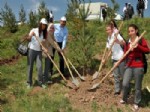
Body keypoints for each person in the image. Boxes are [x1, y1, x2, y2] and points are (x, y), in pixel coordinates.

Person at [120, 24, 150, 111]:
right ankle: (124, 99)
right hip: (129, 66)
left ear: (136, 31)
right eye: (129, 31)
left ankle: (136, 103)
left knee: (137, 86)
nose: (130, 33)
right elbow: (125, 53)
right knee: (125, 84)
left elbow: (148, 50)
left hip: (139, 66)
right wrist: (122, 59)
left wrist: (138, 46)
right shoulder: (128, 42)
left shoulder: (140, 40)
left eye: (132, 31)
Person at [104, 23, 125, 95]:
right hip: (114, 58)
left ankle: (126, 90)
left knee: (122, 75)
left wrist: (117, 41)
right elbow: (110, 50)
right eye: (107, 30)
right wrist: (106, 58)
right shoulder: (108, 38)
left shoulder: (116, 35)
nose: (108, 31)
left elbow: (124, 43)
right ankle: (117, 90)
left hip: (121, 57)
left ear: (112, 29)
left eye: (109, 29)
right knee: (116, 75)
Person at [26, 18, 48, 88]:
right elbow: (28, 39)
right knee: (30, 66)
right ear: (40, 24)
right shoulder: (34, 30)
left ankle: (40, 81)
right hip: (31, 50)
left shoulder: (44, 34)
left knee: (40, 67)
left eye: (45, 25)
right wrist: (31, 35)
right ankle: (29, 83)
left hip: (39, 52)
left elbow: (43, 43)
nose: (44, 26)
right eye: (43, 25)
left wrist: (44, 49)